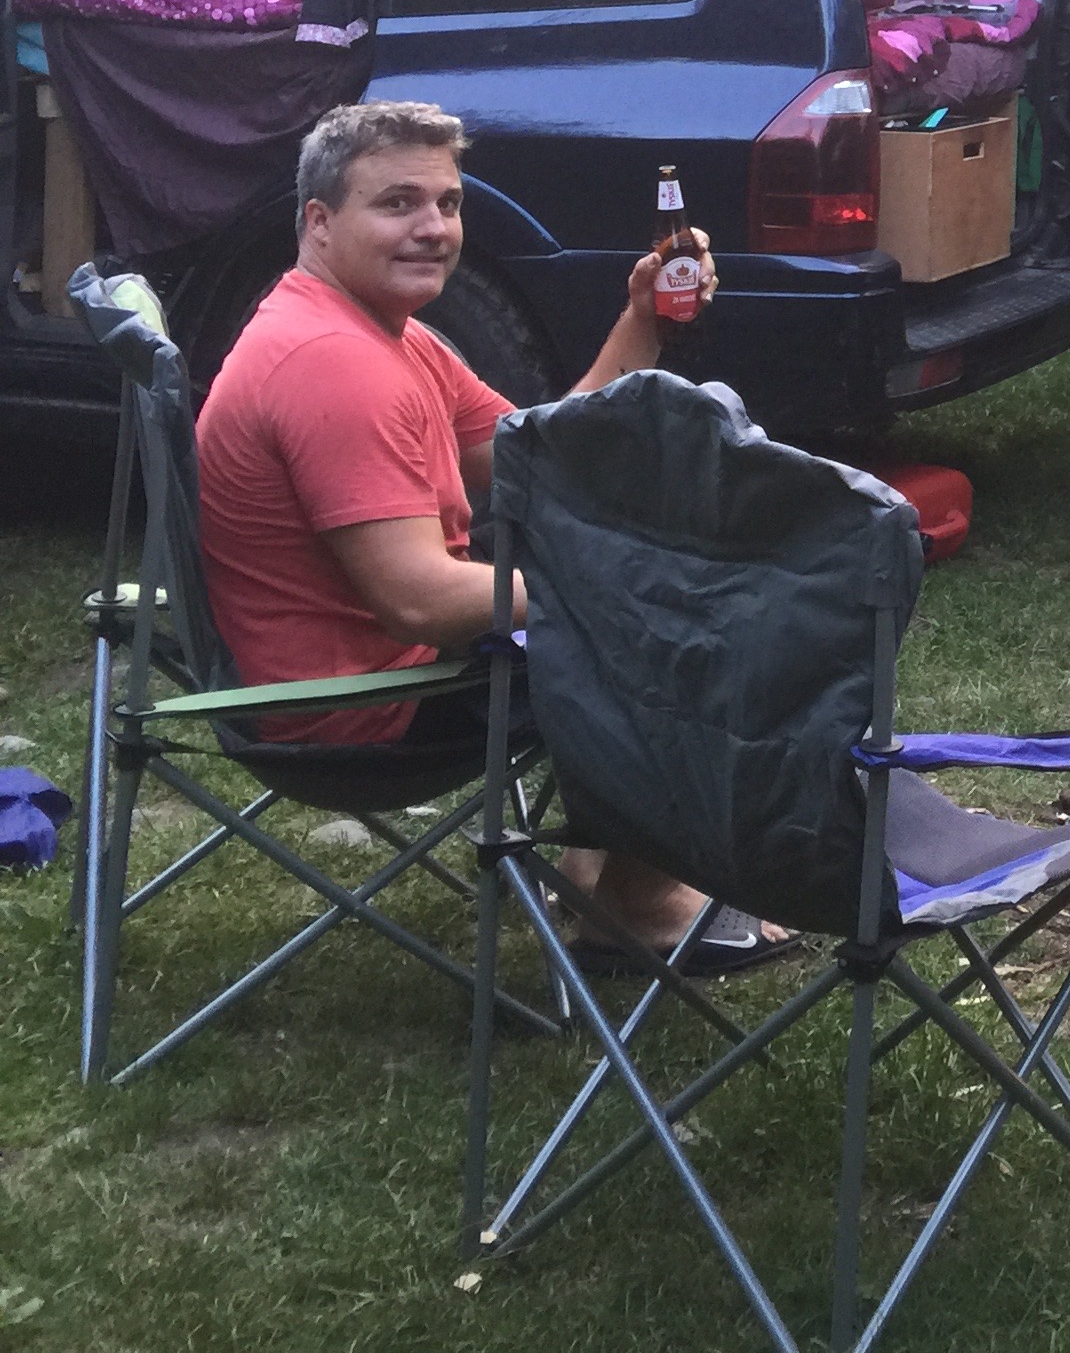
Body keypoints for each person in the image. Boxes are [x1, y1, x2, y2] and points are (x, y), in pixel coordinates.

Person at [196, 99, 787, 973]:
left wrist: (645, 319)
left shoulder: (383, 333)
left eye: (448, 203)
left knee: (655, 579)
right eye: (398, 203)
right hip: (367, 706)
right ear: (319, 221)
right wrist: (612, 593)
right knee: (682, 627)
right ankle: (636, 904)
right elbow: (417, 600)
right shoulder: (334, 364)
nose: (434, 228)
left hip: (378, 668)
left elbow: (549, 457)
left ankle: (601, 865)